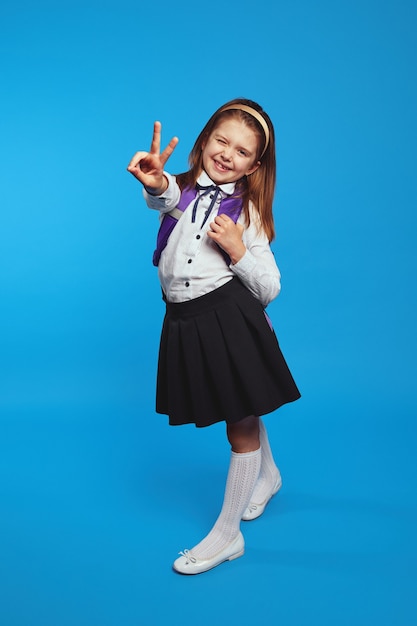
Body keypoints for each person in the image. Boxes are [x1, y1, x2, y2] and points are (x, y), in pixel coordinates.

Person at [127, 98, 300, 575]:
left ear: (255, 165)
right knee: (236, 401)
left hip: (229, 317)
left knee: (239, 422)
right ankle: (269, 475)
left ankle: (228, 536)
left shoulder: (248, 212)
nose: (228, 154)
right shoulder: (181, 188)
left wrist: (237, 249)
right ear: (204, 142)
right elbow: (163, 195)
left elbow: (269, 288)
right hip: (186, 319)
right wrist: (156, 179)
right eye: (222, 141)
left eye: (242, 151)